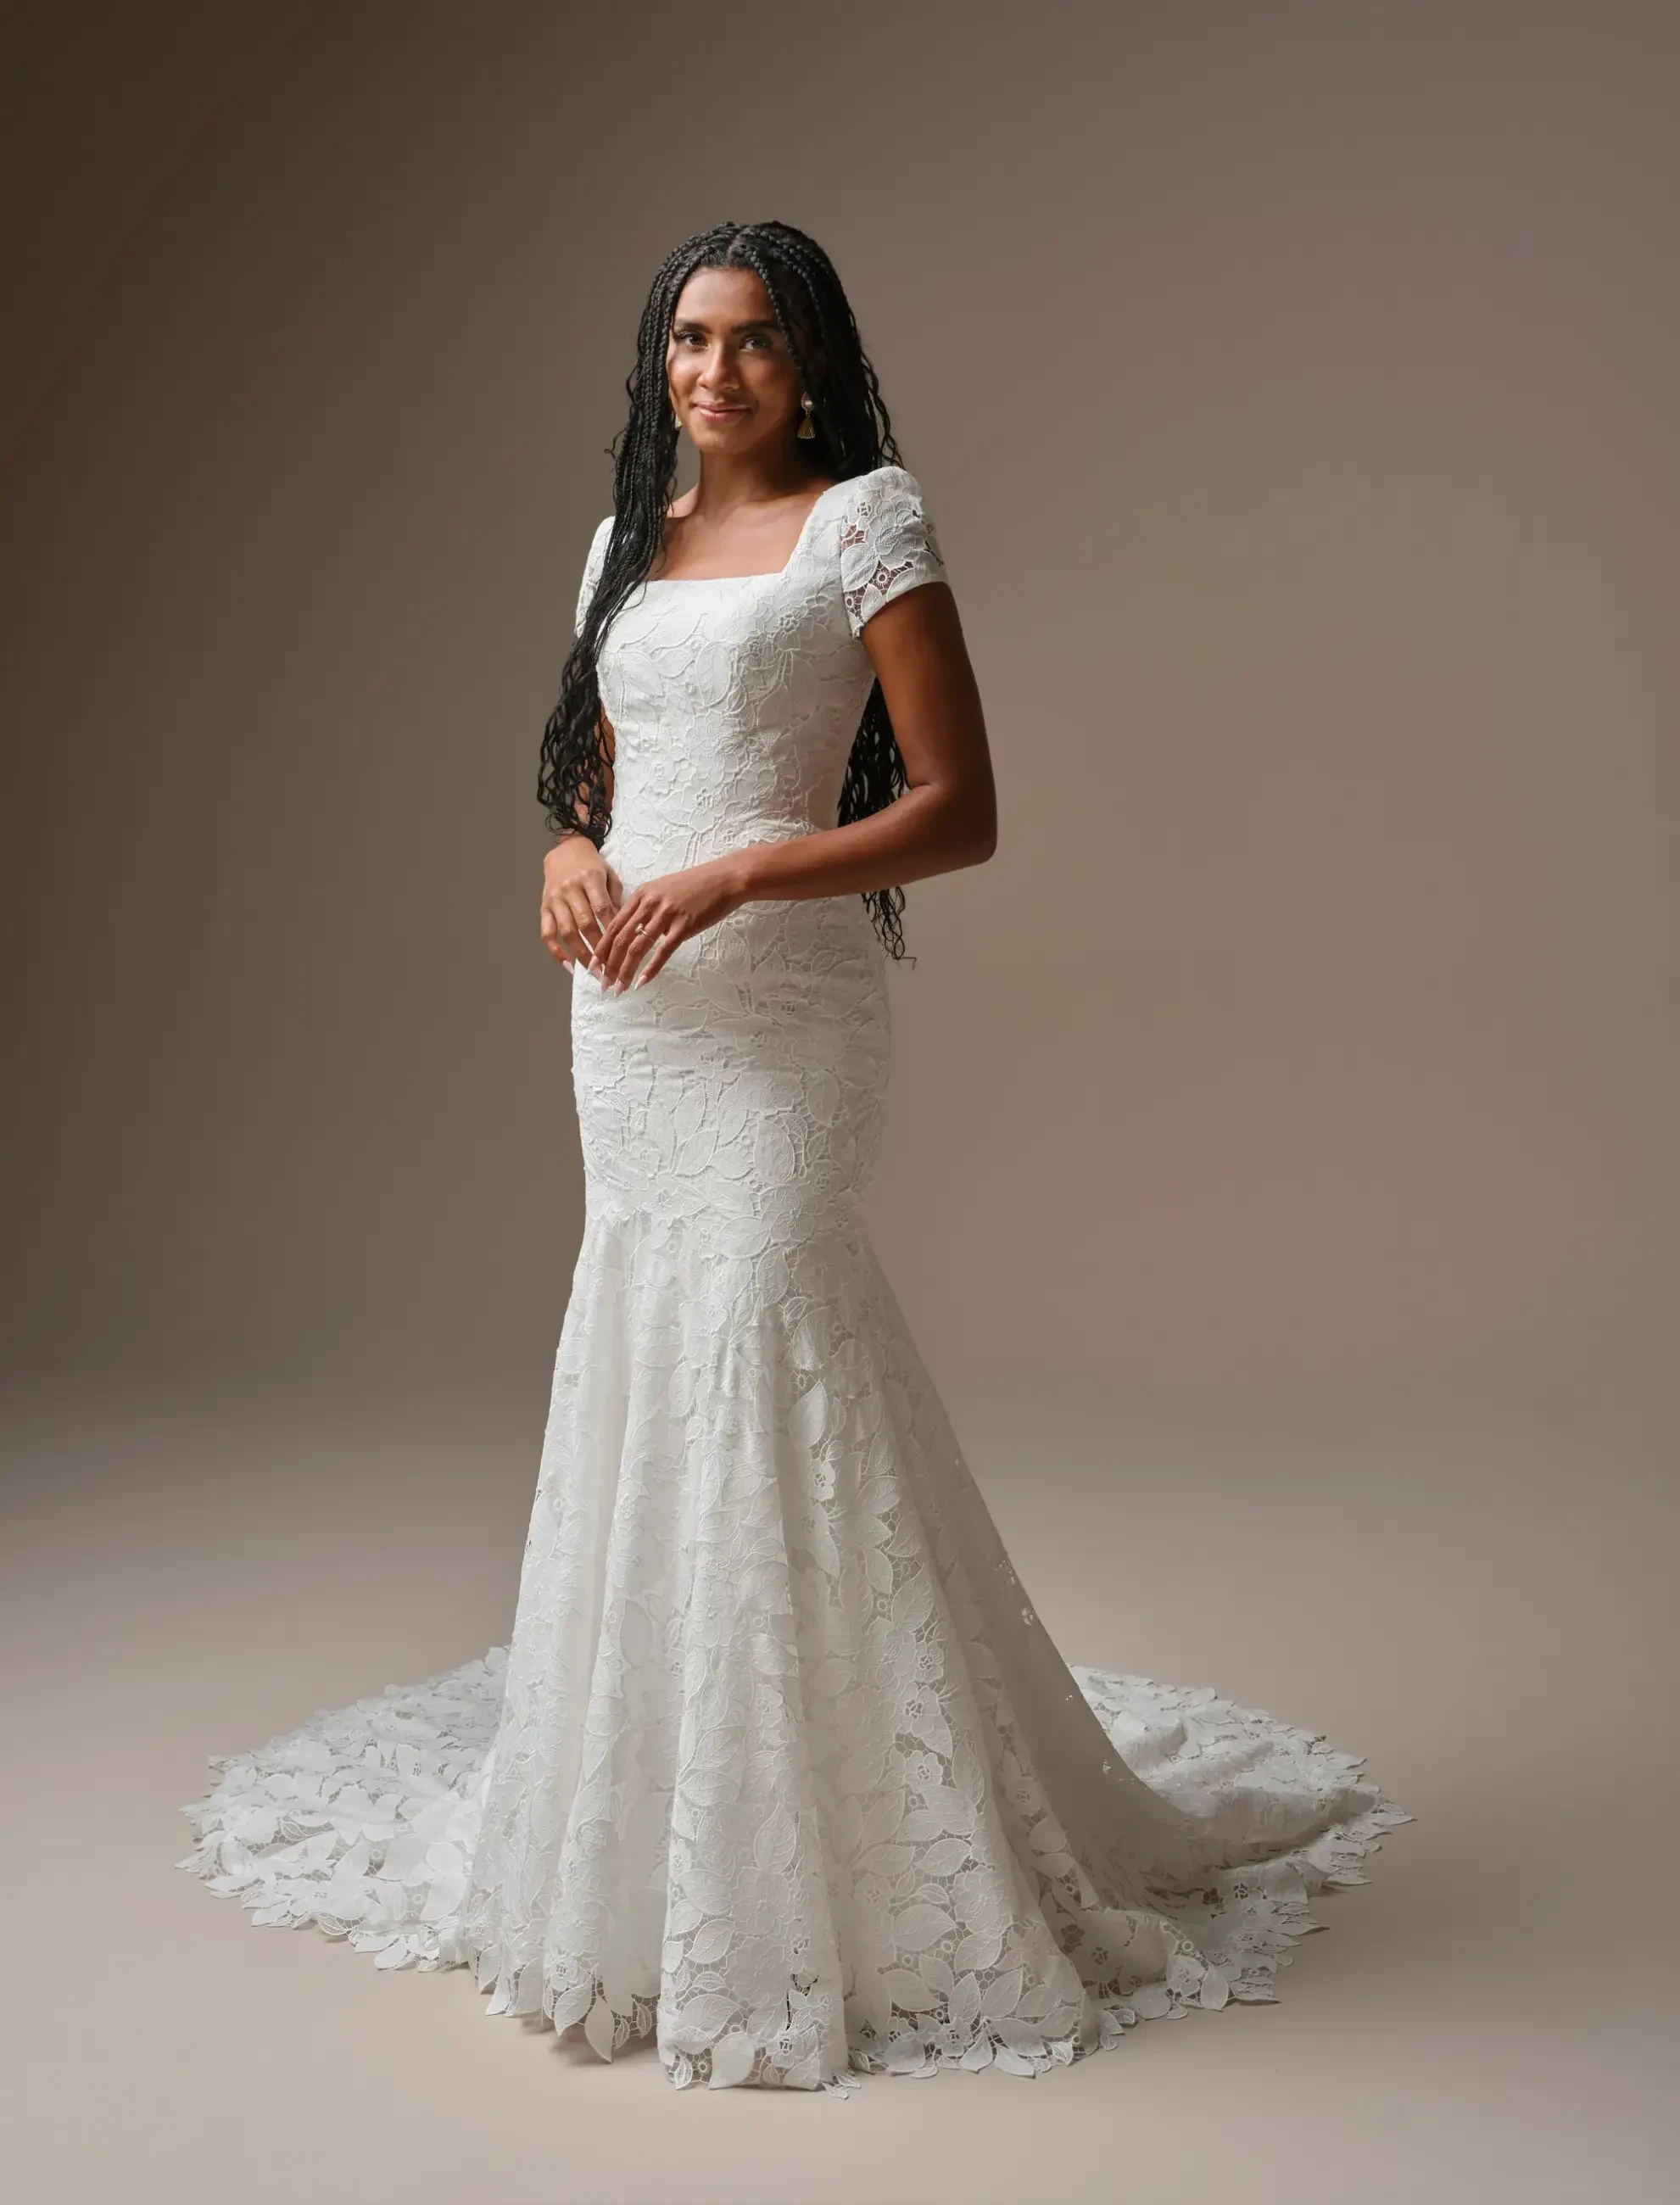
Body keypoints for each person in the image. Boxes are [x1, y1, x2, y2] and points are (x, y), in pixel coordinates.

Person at [179, 220, 1409, 2095]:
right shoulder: (623, 546)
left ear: (812, 360)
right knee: (657, 1342)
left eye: (754, 341)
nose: (715, 372)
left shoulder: (868, 523)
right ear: (655, 359)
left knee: (767, 1334)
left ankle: (828, 1861)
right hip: (629, 1013)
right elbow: (594, 776)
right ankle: (658, 1832)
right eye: (688, 338)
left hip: (785, 1022)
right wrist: (562, 862)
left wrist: (749, 864)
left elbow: (961, 809)